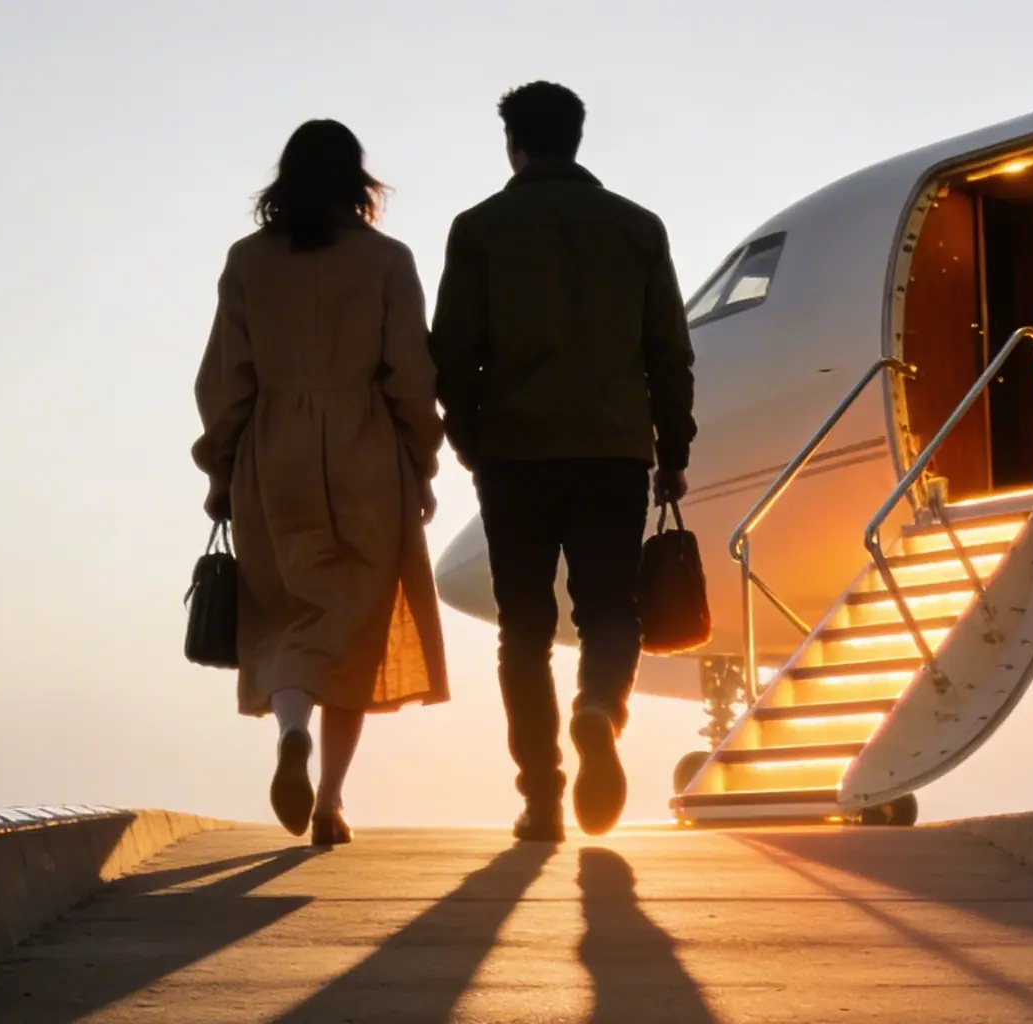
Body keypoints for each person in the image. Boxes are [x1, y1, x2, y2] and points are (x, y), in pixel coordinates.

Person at [431, 82, 696, 841]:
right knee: (610, 611)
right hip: (613, 450)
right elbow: (668, 352)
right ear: (577, 139)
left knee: (523, 628)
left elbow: (450, 354)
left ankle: (542, 799)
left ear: (513, 145)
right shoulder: (637, 227)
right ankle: (599, 710)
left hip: (514, 452)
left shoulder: (479, 229)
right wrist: (672, 450)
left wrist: (471, 442)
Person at [193, 120, 449, 847]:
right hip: (367, 453)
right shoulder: (387, 260)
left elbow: (224, 381)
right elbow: (411, 375)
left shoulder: (248, 261)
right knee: (355, 627)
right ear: (357, 182)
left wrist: (221, 468)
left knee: (285, 615)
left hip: (273, 456)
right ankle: (330, 802)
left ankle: (292, 729)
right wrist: (421, 463)